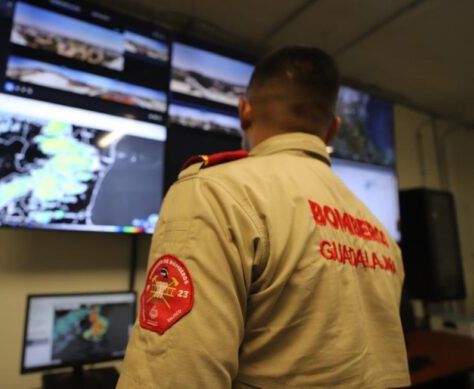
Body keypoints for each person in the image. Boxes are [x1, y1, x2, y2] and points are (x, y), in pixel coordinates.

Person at [117, 46, 410, 388]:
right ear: (332, 130)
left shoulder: (216, 194)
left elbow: (173, 377)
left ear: (244, 111)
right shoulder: (380, 234)